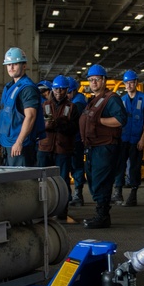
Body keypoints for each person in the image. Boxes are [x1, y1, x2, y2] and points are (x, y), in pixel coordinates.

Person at [79, 65, 127, 229]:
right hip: (94, 147)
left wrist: (99, 121)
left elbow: (121, 120)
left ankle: (102, 216)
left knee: (101, 181)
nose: (93, 82)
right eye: (91, 80)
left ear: (104, 80)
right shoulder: (94, 100)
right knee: (94, 180)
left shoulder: (111, 99)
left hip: (105, 148)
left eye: (96, 79)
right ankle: (100, 213)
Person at [0, 47, 44, 166]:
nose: (11, 67)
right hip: (8, 143)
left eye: (15, 64)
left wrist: (19, 141)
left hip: (20, 146)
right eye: (8, 64)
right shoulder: (9, 87)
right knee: (10, 182)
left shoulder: (27, 88)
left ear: (24, 66)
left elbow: (31, 117)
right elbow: (6, 116)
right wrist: (0, 138)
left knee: (22, 183)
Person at [113, 70, 144, 207]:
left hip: (136, 139)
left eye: (131, 82)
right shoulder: (121, 100)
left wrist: (143, 138)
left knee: (135, 167)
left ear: (136, 83)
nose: (129, 85)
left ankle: (133, 195)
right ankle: (117, 192)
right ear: (124, 84)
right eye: (127, 83)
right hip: (123, 138)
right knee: (120, 165)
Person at [37, 76, 80, 193]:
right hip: (44, 149)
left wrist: (58, 124)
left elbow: (75, 128)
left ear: (67, 90)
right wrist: (44, 126)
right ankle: (44, 207)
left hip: (63, 150)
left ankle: (62, 209)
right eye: (56, 89)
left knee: (62, 180)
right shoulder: (44, 106)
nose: (59, 92)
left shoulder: (72, 108)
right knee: (42, 179)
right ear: (52, 90)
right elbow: (36, 125)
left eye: (62, 89)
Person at [68, 78, 89, 206]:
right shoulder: (77, 100)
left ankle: (78, 194)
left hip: (75, 140)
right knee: (74, 167)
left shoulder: (78, 102)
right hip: (73, 139)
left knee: (77, 167)